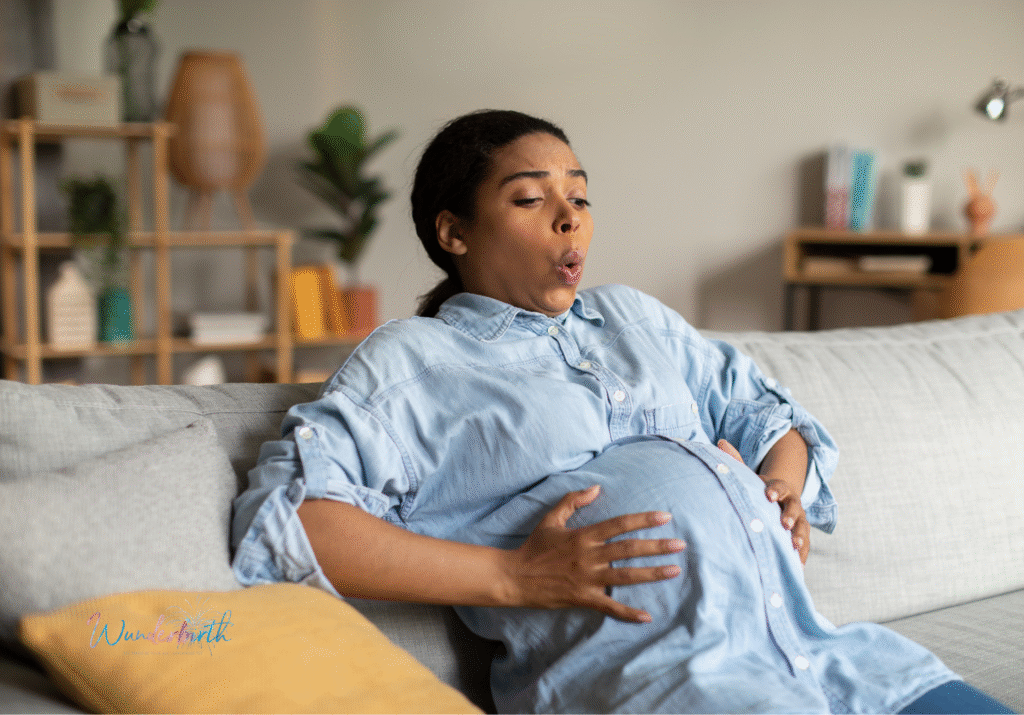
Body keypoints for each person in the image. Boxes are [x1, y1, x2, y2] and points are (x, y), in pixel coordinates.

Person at [231, 110, 1013, 714]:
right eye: (531, 198)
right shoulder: (413, 362)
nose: (570, 217)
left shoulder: (633, 318)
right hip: (668, 690)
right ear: (454, 231)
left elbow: (766, 413)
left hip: (842, 664)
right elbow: (297, 521)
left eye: (579, 195)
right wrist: (509, 574)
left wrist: (781, 487)